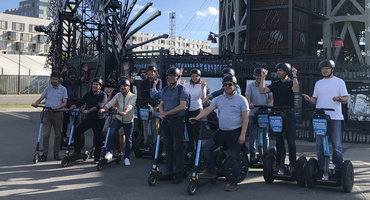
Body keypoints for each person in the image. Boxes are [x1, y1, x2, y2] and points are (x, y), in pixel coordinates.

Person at [189, 75, 249, 192]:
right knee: (207, 148)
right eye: (225, 85)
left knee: (235, 158)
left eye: (230, 84)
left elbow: (245, 118)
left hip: (235, 133)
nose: (227, 86)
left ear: (235, 86)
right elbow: (208, 110)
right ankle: (210, 172)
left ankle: (233, 182)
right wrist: (196, 118)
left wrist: (242, 135)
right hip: (221, 132)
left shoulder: (241, 100)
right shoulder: (220, 99)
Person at [302, 59, 348, 180]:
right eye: (322, 69)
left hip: (334, 117)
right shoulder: (318, 83)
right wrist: (309, 99)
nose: (324, 70)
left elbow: (345, 99)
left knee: (336, 145)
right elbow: (314, 100)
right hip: (320, 117)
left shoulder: (339, 82)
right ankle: (321, 168)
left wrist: (338, 98)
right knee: (319, 144)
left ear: (332, 69)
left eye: (326, 68)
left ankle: (338, 169)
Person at [259, 62, 299, 175]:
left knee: (291, 141)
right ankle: (280, 165)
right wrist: (263, 77)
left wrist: (295, 75)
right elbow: (262, 90)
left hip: (289, 113)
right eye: (277, 71)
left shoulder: (291, 82)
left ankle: (293, 165)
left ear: (286, 72)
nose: (278, 72)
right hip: (278, 114)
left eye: (280, 70)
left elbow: (296, 90)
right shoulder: (275, 84)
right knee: (279, 141)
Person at [65, 78, 107, 164]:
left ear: (100, 86)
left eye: (97, 84)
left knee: (97, 138)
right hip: (89, 118)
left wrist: (88, 111)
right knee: (77, 131)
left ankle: (97, 157)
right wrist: (69, 109)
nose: (94, 86)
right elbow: (79, 102)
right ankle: (77, 152)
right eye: (93, 84)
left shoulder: (103, 95)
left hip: (99, 119)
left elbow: (99, 106)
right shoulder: (88, 94)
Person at [159, 67, 189, 184]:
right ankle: (169, 171)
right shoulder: (165, 89)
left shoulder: (182, 89)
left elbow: (182, 106)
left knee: (178, 147)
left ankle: (179, 173)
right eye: (169, 76)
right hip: (166, 121)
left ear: (177, 77)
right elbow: (162, 103)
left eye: (173, 76)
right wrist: (162, 112)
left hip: (177, 121)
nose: (170, 78)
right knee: (168, 147)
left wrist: (167, 113)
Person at [31, 71, 68, 161]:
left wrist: (56, 107)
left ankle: (56, 153)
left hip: (58, 114)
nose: (54, 81)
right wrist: (36, 103)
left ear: (59, 80)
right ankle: (45, 154)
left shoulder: (63, 89)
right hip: (47, 113)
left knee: (58, 135)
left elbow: (64, 103)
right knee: (45, 134)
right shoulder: (48, 88)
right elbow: (41, 98)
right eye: (53, 79)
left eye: (56, 79)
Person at [100, 78, 137, 166]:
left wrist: (125, 111)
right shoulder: (118, 95)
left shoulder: (133, 96)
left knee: (128, 139)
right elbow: (112, 102)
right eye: (121, 86)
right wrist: (104, 108)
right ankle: (109, 152)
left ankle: (126, 157)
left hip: (128, 120)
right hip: (118, 118)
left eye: (125, 86)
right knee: (111, 132)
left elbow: (131, 105)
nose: (123, 87)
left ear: (128, 87)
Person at [245, 67, 273, 160]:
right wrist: (249, 103)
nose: (258, 77)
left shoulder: (268, 85)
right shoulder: (250, 86)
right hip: (254, 112)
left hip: (264, 112)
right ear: (254, 76)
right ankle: (252, 153)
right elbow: (247, 97)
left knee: (265, 133)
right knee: (253, 133)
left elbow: (271, 98)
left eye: (260, 75)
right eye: (257, 75)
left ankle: (266, 153)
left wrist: (270, 103)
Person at [183, 68, 207, 153]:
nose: (194, 78)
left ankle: (199, 151)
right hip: (188, 109)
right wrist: (180, 80)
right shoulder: (187, 85)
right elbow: (181, 89)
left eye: (196, 76)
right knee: (189, 132)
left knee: (196, 132)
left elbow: (202, 98)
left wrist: (202, 88)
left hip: (197, 109)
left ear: (199, 77)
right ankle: (190, 150)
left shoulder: (201, 85)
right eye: (193, 76)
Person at [139, 65, 162, 146]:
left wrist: (149, 91)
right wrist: (150, 91)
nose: (150, 73)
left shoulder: (158, 81)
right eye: (149, 72)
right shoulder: (143, 82)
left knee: (155, 126)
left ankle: (155, 143)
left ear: (155, 73)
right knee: (145, 125)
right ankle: (146, 142)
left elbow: (157, 93)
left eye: (152, 72)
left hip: (155, 105)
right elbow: (141, 93)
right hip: (145, 105)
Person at [61, 68, 85, 145]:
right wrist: (62, 72)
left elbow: (83, 79)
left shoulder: (76, 82)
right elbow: (59, 79)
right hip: (67, 104)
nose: (72, 76)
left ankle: (74, 137)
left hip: (75, 104)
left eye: (73, 75)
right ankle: (64, 136)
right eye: (71, 75)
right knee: (65, 122)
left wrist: (85, 71)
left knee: (75, 122)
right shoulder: (65, 82)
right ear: (68, 75)